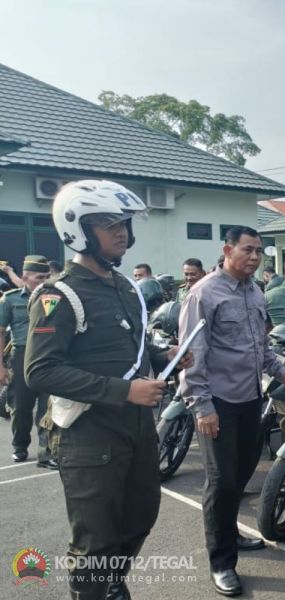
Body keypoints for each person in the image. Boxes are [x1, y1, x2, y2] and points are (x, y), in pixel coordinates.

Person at [25, 180, 191, 600]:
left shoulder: (125, 287)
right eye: (106, 223)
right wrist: (123, 391)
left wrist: (163, 355)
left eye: (123, 223)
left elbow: (129, 347)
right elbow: (40, 371)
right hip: (87, 433)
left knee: (140, 517)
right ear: (77, 228)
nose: (120, 232)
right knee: (95, 542)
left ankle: (110, 583)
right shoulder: (57, 295)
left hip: (135, 427)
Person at [179, 225, 285, 597]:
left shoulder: (255, 291)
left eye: (258, 251)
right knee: (221, 481)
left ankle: (230, 534)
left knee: (243, 472)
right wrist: (202, 406)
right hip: (216, 403)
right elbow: (191, 355)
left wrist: (284, 373)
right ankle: (222, 562)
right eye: (247, 250)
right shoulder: (203, 294)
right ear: (227, 250)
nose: (254, 257)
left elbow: (260, 345)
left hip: (250, 398)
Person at [0, 255, 51, 465]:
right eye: (40, 277)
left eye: (47, 276)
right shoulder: (10, 299)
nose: (45, 281)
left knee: (46, 407)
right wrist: (1, 367)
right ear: (25, 277)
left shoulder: (52, 297)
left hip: (47, 356)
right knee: (20, 407)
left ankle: (46, 452)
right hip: (20, 356)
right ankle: (20, 446)